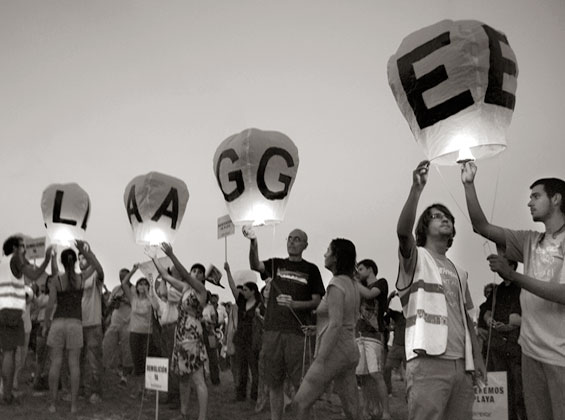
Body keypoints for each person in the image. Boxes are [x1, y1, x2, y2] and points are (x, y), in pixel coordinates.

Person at [461, 162, 565, 420]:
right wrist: (468, 184)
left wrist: (513, 276)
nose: (529, 203)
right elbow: (481, 226)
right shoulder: (529, 240)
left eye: (536, 196)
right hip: (530, 350)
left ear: (556, 198)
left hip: (561, 355)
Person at [397, 161, 485, 420]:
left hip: (462, 365)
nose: (444, 218)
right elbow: (403, 232)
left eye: (447, 216)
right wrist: (416, 189)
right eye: (436, 216)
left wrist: (476, 358)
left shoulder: (460, 271)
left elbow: (466, 318)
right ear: (424, 228)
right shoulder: (416, 258)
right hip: (427, 361)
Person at [245, 226, 325, 420]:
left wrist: (295, 304)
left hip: (297, 333)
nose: (292, 241)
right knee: (274, 382)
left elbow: (317, 301)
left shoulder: (311, 269)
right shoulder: (276, 264)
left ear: (305, 245)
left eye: (297, 239)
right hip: (273, 331)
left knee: (302, 384)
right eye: (289, 238)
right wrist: (253, 241)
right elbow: (255, 264)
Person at [294, 238, 360, 420]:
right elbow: (345, 319)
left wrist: (321, 360)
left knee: (300, 403)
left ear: (336, 257)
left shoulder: (336, 284)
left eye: (328, 250)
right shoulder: (352, 283)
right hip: (349, 349)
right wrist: (317, 330)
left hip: (333, 352)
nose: (324, 254)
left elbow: (336, 323)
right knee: (352, 411)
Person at [150, 243, 208, 420]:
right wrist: (154, 258)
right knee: (183, 378)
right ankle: (183, 413)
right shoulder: (185, 289)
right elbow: (166, 276)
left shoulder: (201, 291)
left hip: (193, 336)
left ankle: (202, 417)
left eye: (200, 272)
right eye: (194, 271)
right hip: (180, 335)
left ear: (203, 277)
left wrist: (172, 255)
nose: (196, 273)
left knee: (198, 379)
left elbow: (181, 274)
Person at [44, 241, 103, 414]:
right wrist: (84, 250)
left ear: (62, 262)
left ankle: (53, 404)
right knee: (74, 364)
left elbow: (50, 304)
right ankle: (74, 406)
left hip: (58, 323)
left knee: (55, 363)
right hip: (75, 324)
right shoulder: (81, 278)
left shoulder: (56, 280)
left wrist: (46, 322)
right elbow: (98, 267)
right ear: (75, 262)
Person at [0, 235, 51, 405]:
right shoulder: (15, 259)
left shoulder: (3, 263)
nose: (25, 250)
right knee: (10, 353)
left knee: (6, 353)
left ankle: (5, 392)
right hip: (11, 312)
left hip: (3, 310)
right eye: (22, 246)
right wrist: (47, 259)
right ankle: (6, 396)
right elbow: (35, 275)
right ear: (15, 248)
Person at [482, 259, 526, 420]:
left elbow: (525, 317)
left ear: (512, 266)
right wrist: (488, 320)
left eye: (502, 262)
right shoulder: (497, 289)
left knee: (519, 390)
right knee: (502, 389)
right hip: (498, 346)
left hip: (517, 347)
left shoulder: (522, 286)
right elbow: (485, 310)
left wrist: (509, 327)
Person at [354, 259, 391, 420]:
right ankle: (367, 409)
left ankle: (386, 412)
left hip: (374, 335)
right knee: (363, 376)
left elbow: (370, 294)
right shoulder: (359, 287)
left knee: (376, 374)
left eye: (361, 268)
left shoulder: (381, 283)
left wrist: (353, 281)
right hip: (360, 334)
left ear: (370, 269)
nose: (359, 272)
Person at [224, 261, 263, 402]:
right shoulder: (241, 302)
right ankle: (241, 394)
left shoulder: (259, 304)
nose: (242, 292)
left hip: (253, 340)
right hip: (241, 339)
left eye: (246, 290)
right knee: (242, 368)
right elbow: (232, 287)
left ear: (253, 291)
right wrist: (228, 272)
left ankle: (255, 394)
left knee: (254, 368)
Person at [120, 265, 159, 382]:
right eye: (140, 284)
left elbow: (156, 307)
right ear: (136, 287)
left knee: (147, 361)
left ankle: (148, 387)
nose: (143, 286)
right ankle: (138, 388)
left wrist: (148, 294)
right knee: (137, 361)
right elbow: (124, 283)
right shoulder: (133, 298)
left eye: (145, 284)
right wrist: (133, 270)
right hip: (134, 333)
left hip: (147, 333)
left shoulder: (151, 298)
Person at [149, 271, 182, 408]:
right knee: (167, 362)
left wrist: (163, 278)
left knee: (173, 364)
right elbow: (156, 302)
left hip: (173, 328)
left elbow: (163, 292)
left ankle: (176, 397)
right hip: (166, 329)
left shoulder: (177, 291)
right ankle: (171, 394)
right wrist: (152, 285)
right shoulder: (169, 296)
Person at [78, 251, 105, 404]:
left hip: (93, 324)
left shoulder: (95, 275)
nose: (81, 261)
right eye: (79, 258)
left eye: (84, 258)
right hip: (78, 324)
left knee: (94, 360)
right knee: (78, 359)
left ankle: (96, 392)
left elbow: (100, 271)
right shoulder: (77, 278)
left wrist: (89, 253)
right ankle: (80, 389)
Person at [102, 268, 133, 384]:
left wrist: (124, 301)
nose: (122, 279)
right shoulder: (116, 289)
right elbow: (108, 305)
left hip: (128, 323)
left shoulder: (134, 289)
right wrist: (113, 303)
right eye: (121, 277)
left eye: (124, 276)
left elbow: (136, 304)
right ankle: (103, 372)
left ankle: (124, 377)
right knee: (106, 346)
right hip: (115, 322)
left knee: (127, 351)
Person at [384, 291, 406, 398]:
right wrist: (390, 298)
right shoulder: (398, 316)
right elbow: (385, 310)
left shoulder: (411, 316)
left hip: (406, 348)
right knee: (387, 368)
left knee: (409, 373)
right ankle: (388, 391)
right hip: (398, 346)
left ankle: (409, 394)